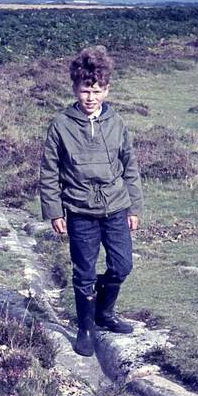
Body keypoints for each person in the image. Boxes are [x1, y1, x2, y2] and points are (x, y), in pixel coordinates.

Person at [39, 45, 144, 357]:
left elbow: (131, 166)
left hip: (116, 207)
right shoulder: (60, 124)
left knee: (122, 265)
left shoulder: (117, 122)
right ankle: (85, 327)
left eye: (97, 90)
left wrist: (135, 206)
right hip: (80, 212)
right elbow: (49, 171)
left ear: (107, 89)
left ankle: (104, 313)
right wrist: (54, 210)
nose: (91, 97)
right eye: (85, 90)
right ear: (75, 88)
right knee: (84, 272)